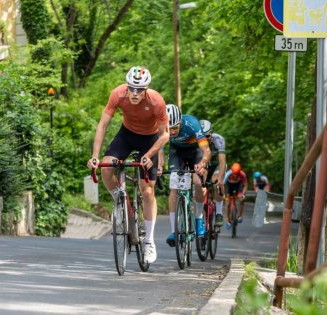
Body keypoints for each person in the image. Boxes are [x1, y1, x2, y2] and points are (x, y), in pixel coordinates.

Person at [87, 66, 169, 264]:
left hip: (150, 140)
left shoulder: (156, 100)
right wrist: (95, 156)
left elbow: (165, 134)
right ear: (127, 86)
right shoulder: (117, 94)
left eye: (139, 90)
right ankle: (120, 199)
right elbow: (103, 124)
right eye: (132, 88)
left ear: (146, 89)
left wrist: (150, 155)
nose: (134, 93)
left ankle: (149, 241)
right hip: (127, 135)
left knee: (147, 191)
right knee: (106, 167)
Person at [163, 104, 211, 247]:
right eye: (169, 128)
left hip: (195, 152)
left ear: (181, 122)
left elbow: (206, 150)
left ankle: (198, 219)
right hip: (176, 153)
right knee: (174, 188)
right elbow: (160, 149)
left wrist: (202, 163)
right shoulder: (161, 126)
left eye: (175, 128)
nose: (171, 132)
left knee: (197, 183)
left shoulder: (192, 124)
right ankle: (174, 231)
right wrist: (159, 166)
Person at [199, 119, 226, 226]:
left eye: (207, 136)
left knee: (216, 182)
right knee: (200, 183)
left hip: (216, 164)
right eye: (202, 137)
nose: (205, 139)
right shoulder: (194, 140)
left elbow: (222, 161)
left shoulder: (218, 139)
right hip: (203, 164)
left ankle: (219, 213)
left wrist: (220, 178)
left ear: (212, 132)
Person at [223, 162, 248, 229]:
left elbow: (245, 185)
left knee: (242, 199)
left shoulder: (242, 174)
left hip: (238, 186)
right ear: (232, 171)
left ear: (239, 172)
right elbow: (223, 185)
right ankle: (228, 221)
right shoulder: (228, 174)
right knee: (227, 203)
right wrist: (224, 194)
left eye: (237, 174)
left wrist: (243, 194)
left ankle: (240, 216)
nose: (235, 176)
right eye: (234, 174)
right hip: (229, 186)